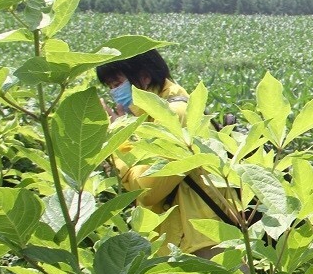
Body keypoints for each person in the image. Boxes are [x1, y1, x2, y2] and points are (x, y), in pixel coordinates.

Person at [97, 49, 235, 258]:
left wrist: (119, 138)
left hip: (204, 244)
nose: (115, 93)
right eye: (110, 88)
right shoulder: (149, 118)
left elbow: (147, 190)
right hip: (180, 241)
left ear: (144, 77)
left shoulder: (175, 114)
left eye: (117, 84)